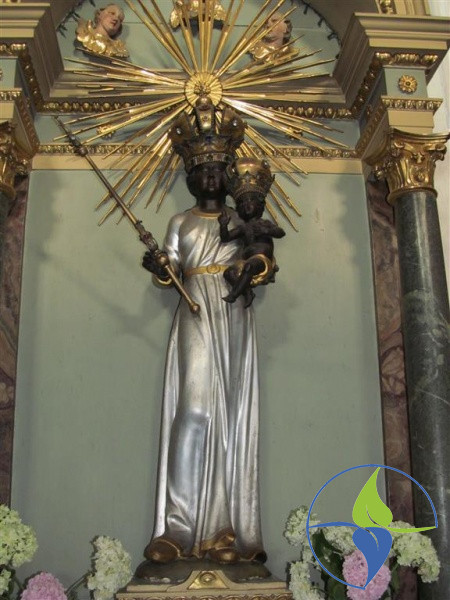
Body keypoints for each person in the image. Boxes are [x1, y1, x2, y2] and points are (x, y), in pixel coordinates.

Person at [141, 99, 266, 565]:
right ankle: (177, 527)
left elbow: (262, 255)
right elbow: (171, 268)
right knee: (193, 410)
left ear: (227, 175)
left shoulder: (239, 220)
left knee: (228, 416)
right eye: (202, 171)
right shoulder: (181, 221)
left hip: (232, 311)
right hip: (194, 306)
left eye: (217, 169)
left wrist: (252, 269)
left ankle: (222, 530)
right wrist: (160, 266)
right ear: (191, 177)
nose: (210, 177)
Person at [219, 158, 285, 308]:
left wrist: (266, 230)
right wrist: (223, 225)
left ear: (260, 204)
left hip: (262, 259)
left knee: (248, 267)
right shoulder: (244, 228)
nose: (246, 205)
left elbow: (280, 232)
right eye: (241, 203)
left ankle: (233, 295)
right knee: (228, 273)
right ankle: (247, 292)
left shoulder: (263, 223)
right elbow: (225, 238)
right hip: (246, 261)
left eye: (250, 201)